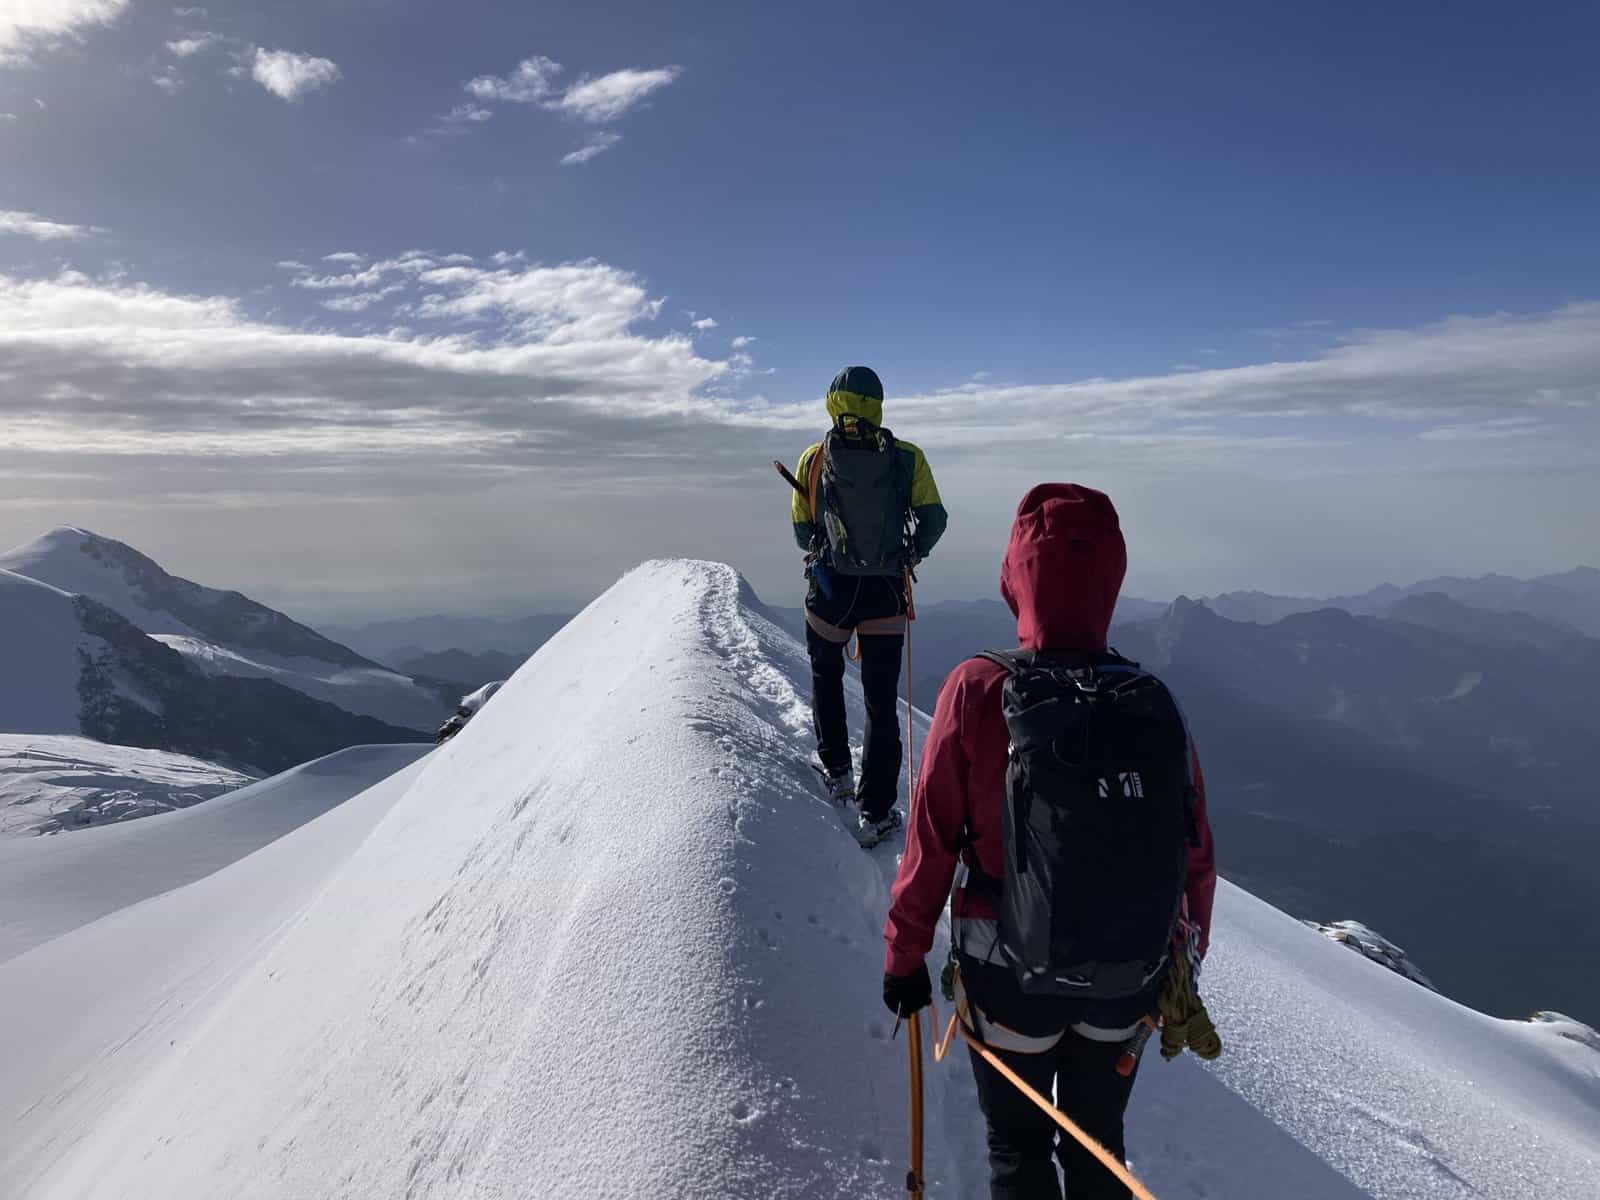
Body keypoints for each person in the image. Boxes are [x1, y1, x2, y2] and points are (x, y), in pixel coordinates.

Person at [880, 483, 1217, 1199]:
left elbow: (932, 840)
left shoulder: (977, 688)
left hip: (1008, 980)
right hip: (1127, 978)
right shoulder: (1152, 700)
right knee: (1099, 1147)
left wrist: (905, 958)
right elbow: (1196, 852)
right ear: (1113, 578)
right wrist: (1180, 955)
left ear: (1015, 576)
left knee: (1017, 1149)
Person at [790, 366, 947, 847]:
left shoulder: (815, 458)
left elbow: (801, 531)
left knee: (826, 673)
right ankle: (876, 811)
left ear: (832, 403)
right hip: (885, 590)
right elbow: (934, 518)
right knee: (881, 701)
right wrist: (910, 554)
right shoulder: (906, 458)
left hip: (832, 589)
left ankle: (836, 770)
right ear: (877, 403)